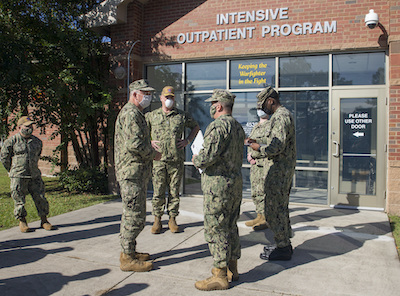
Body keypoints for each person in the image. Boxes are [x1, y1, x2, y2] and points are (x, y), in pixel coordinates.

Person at [192, 89, 245, 291]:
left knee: (216, 228)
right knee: (231, 225)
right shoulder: (238, 127)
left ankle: (220, 274)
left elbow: (206, 157)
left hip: (218, 187)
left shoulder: (218, 126)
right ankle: (233, 268)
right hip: (234, 184)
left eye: (213, 103)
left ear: (219, 106)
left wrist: (196, 158)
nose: (211, 106)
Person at [114, 79, 161, 272]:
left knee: (135, 213)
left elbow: (135, 140)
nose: (148, 97)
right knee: (134, 215)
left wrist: (149, 143)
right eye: (145, 93)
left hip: (135, 172)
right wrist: (153, 154)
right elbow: (133, 145)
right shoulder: (131, 113)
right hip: (131, 173)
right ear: (135, 94)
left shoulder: (135, 113)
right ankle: (127, 257)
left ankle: (130, 251)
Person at [246, 86, 296, 261]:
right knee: (279, 208)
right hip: (279, 170)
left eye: (262, 104)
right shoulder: (279, 117)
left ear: (271, 101)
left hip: (279, 172)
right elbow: (272, 139)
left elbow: (276, 146)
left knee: (276, 210)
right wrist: (257, 140)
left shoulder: (281, 117)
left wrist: (257, 147)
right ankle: (283, 243)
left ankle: (283, 247)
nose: (262, 108)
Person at [146, 86, 199, 234]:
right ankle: (157, 219)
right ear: (161, 98)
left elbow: (195, 127)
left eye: (172, 97)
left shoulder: (181, 115)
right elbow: (141, 130)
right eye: (167, 97)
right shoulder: (152, 116)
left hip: (176, 160)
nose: (169, 100)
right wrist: (148, 142)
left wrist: (187, 140)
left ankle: (172, 219)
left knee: (174, 192)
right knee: (158, 192)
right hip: (158, 160)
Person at [0, 116, 54, 233]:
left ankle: (44, 220)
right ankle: (22, 221)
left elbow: (37, 155)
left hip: (34, 175)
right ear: (20, 127)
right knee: (19, 199)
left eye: (31, 126)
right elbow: (4, 158)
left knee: (41, 198)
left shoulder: (37, 142)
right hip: (19, 176)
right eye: (27, 126)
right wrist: (12, 170)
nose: (29, 128)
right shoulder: (11, 141)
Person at [245, 110, 270, 231]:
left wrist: (256, 155)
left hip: (262, 164)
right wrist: (249, 155)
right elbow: (251, 142)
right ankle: (259, 215)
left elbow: (268, 146)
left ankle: (265, 218)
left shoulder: (270, 126)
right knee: (256, 191)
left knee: (263, 191)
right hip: (254, 165)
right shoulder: (256, 126)